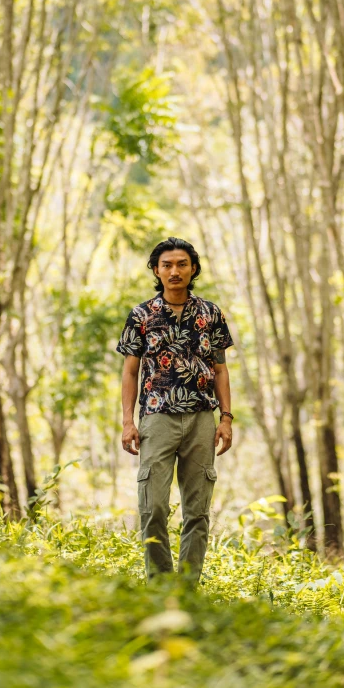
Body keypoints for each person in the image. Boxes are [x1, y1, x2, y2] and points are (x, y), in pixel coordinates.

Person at [116, 236, 234, 582]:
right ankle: (161, 584)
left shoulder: (211, 313)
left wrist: (226, 418)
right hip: (156, 417)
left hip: (201, 418)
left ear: (193, 269)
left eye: (182, 264)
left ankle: (187, 587)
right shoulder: (141, 315)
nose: (174, 271)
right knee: (152, 507)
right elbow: (130, 370)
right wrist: (127, 421)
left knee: (197, 511)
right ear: (156, 269)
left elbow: (221, 368)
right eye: (167, 265)